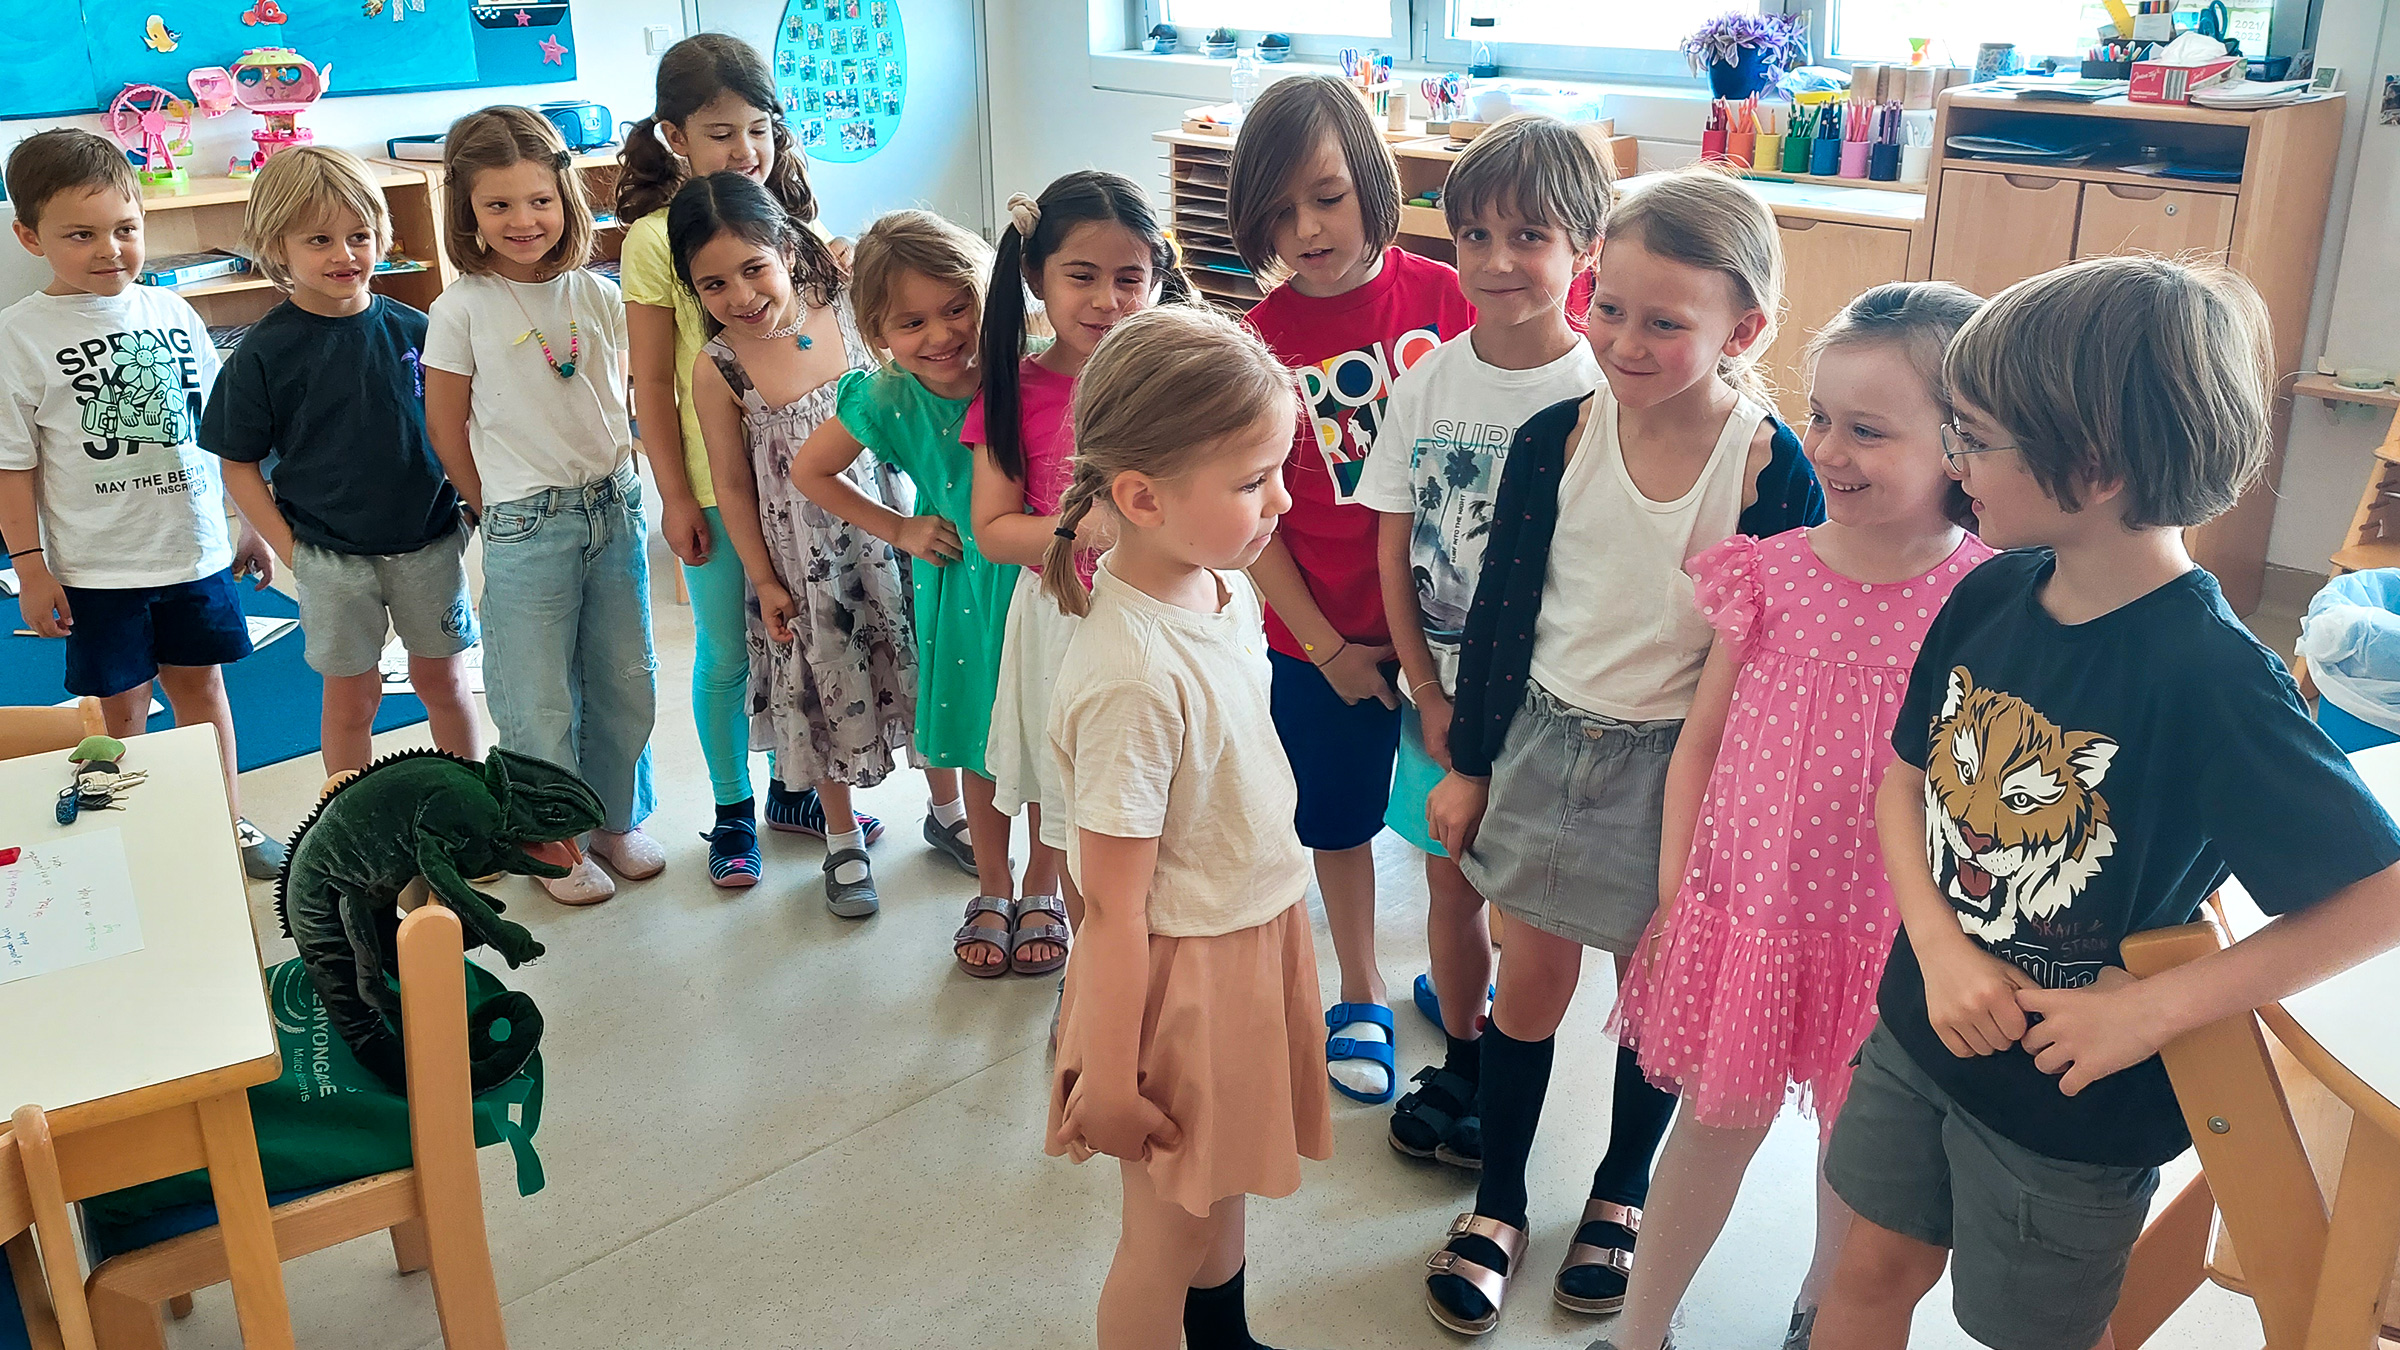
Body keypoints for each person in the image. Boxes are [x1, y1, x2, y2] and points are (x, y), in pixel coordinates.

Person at [1813, 256, 2400, 1350]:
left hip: (2069, 1111)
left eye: (1974, 440)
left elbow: (2380, 897)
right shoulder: (1990, 588)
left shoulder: (2209, 676)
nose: (1955, 463)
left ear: (2090, 467)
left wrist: (2151, 1012)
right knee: (1869, 1267)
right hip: (1921, 1035)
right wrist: (1937, 948)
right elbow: (1905, 783)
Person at [1420, 167, 1826, 1336]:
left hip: (1680, 773)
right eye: (1609, 309)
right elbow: (1500, 617)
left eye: (1665, 322)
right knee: (1532, 987)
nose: (1623, 340)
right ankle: (1500, 1200)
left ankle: (1620, 1190)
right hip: (1547, 748)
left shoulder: (1765, 464)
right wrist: (1472, 763)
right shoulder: (1555, 438)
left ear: (1741, 330)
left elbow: (1772, 666)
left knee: (1654, 1000)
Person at [1599, 283, 1996, 1350]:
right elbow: (1701, 743)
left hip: (1890, 936)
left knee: (1854, 1155)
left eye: (1869, 430)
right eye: (1821, 417)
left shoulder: (1987, 596)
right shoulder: (1768, 574)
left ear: (1963, 444)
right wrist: (1681, 888)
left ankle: (1822, 1322)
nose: (1828, 448)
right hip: (1750, 916)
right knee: (1711, 1130)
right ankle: (1640, 1329)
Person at [1043, 304, 1330, 1350]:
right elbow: (1113, 910)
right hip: (1178, 979)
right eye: (1254, 481)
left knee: (1224, 1192)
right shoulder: (1130, 677)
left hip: (1248, 934)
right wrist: (1110, 1081)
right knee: (1162, 1240)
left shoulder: (1217, 587)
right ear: (1141, 498)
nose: (1283, 499)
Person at [1355, 112, 1609, 1170]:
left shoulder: (1601, 393)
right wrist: (1423, 685)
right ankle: (1462, 1055)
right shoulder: (1424, 385)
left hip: (1555, 705)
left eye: (1531, 236)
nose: (1499, 262)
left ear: (1585, 250)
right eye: (1474, 237)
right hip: (1443, 697)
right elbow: (1393, 541)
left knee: (1528, 910)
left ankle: (1513, 1069)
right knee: (1450, 888)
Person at [1229, 72, 1477, 1105]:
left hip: (1451, 639)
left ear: (1372, 181)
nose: (1307, 228)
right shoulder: (1252, 342)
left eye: (1327, 196)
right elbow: (1251, 523)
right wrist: (1325, 646)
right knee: (1334, 819)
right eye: (1279, 211)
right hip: (1318, 640)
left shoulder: (1450, 299)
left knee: (1448, 826)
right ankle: (1361, 987)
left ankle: (1457, 981)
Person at [618, 33, 888, 884]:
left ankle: (795, 790)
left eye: (760, 129)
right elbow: (653, 383)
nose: (747, 150)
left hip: (819, 491)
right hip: (721, 487)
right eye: (721, 132)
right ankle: (733, 810)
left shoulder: (792, 226)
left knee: (806, 648)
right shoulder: (654, 242)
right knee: (731, 653)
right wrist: (675, 496)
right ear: (675, 137)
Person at [0, 128, 284, 878]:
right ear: (29, 236)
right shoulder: (18, 338)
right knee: (122, 707)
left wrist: (246, 524)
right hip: (98, 567)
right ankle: (144, 824)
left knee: (204, 688)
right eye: (80, 234)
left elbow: (215, 434)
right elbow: (13, 467)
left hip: (193, 549)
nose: (109, 250)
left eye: (125, 229)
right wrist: (31, 568)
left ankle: (223, 818)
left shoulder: (174, 314)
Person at [423, 106, 660, 905]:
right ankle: (547, 835)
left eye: (539, 200)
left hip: (612, 508)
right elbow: (445, 421)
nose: (523, 220)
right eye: (498, 206)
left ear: (565, 199)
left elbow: (619, 390)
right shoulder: (460, 309)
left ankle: (612, 820)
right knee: (537, 695)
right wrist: (486, 501)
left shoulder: (594, 292)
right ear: (469, 213)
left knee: (624, 678)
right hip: (526, 522)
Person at [965, 170, 1192, 978]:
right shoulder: (1012, 389)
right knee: (1082, 811)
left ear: (1158, 277)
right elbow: (993, 530)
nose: (1107, 299)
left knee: (1156, 815)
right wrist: (1083, 528)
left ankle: (1143, 974)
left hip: (1161, 622)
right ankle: (1098, 984)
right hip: (1063, 622)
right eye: (1082, 276)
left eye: (1130, 278)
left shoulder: (1171, 377)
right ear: (1036, 278)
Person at [201, 145, 481, 779]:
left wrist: (469, 506)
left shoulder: (421, 330)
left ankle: (468, 809)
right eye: (319, 239)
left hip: (428, 542)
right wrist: (290, 550)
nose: (344, 255)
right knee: (353, 701)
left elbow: (463, 425)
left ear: (382, 234)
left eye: (359, 236)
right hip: (329, 557)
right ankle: (348, 820)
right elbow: (238, 464)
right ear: (278, 248)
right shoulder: (262, 354)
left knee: (444, 682)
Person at [674, 171, 909, 918]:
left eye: (753, 268)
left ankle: (948, 808)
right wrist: (764, 579)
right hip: (803, 565)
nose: (740, 296)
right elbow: (734, 488)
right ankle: (841, 842)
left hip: (892, 530)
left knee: (919, 664)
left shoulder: (844, 306)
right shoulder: (718, 368)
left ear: (785, 246)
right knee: (823, 687)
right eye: (713, 284)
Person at [789, 211, 1018, 934]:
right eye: (912, 322)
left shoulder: (1027, 359)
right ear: (878, 332)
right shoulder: (888, 396)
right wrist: (900, 528)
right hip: (962, 587)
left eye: (958, 307)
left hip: (1042, 573)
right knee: (978, 737)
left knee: (1047, 730)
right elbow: (811, 470)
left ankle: (1044, 886)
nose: (943, 335)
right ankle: (992, 884)